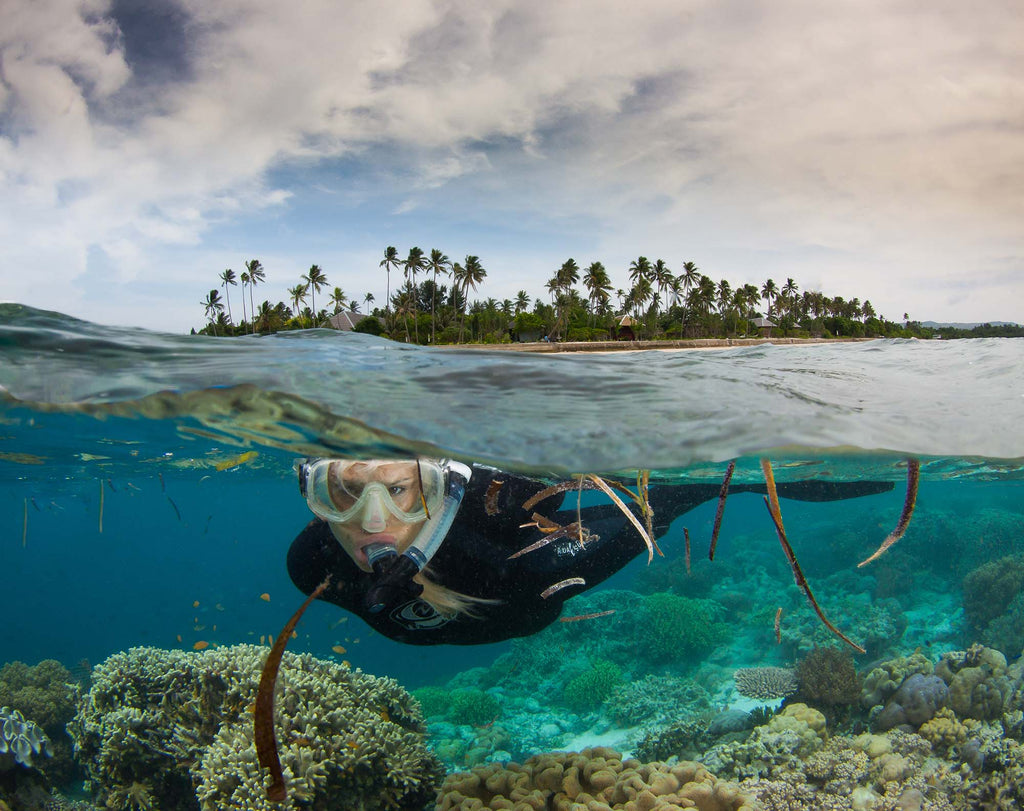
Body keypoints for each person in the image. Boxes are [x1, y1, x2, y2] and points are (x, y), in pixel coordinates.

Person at [287, 458, 893, 645]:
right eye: (336, 492)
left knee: (681, 497)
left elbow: (684, 491)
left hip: (531, 592)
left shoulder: (533, 549)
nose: (371, 521)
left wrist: (789, 483)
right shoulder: (310, 564)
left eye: (398, 490)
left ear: (441, 486)